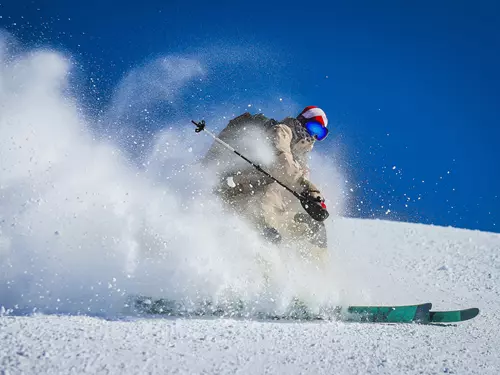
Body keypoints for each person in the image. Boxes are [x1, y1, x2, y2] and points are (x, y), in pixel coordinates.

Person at [202, 106, 330, 261]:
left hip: (275, 212)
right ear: (302, 121)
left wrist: (314, 203)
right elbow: (282, 163)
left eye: (320, 134)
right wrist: (308, 190)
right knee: (270, 236)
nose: (313, 135)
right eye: (313, 127)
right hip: (244, 197)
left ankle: (318, 277)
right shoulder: (282, 131)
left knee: (314, 228)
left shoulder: (301, 162)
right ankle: (260, 278)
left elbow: (294, 192)